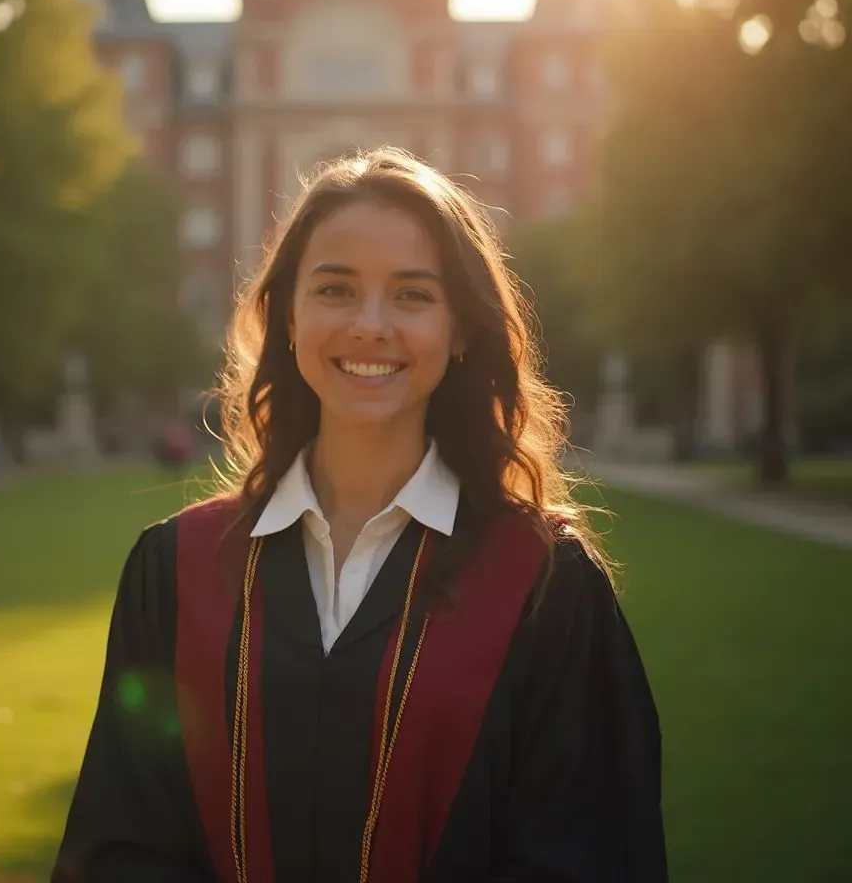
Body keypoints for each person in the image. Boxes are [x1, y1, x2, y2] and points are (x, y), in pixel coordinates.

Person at [52, 148, 668, 882]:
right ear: (286, 316)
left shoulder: (543, 589)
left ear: (460, 328)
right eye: (335, 290)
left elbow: (586, 856)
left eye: (412, 296)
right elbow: (124, 847)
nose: (371, 325)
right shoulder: (178, 572)